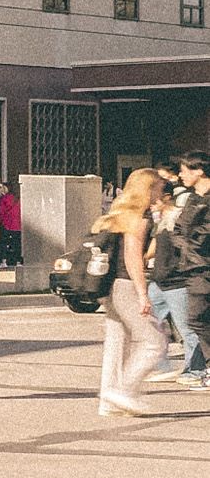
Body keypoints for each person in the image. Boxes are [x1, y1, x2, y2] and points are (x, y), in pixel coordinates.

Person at [91, 167, 170, 415]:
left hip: (108, 285)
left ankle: (108, 401)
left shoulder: (117, 214)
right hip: (126, 284)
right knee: (155, 343)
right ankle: (123, 391)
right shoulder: (139, 218)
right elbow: (132, 256)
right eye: (158, 187)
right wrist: (142, 293)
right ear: (148, 189)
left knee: (117, 342)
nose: (161, 192)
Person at [149, 151, 208, 389]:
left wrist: (185, 244)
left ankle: (196, 368)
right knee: (194, 320)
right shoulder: (193, 199)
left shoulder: (197, 201)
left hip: (196, 270)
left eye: (184, 170)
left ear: (199, 171)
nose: (180, 174)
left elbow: (198, 237)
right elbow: (179, 233)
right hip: (186, 271)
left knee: (195, 322)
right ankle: (164, 365)